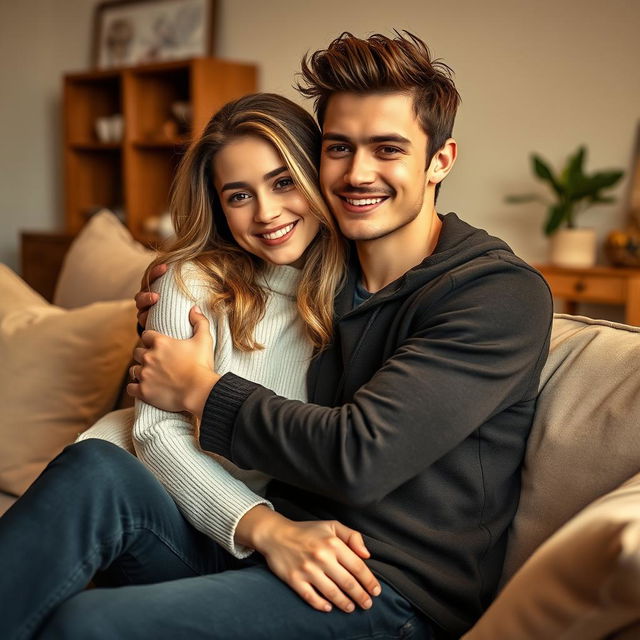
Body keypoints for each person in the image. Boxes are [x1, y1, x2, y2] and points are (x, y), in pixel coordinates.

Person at [129, 31, 553, 639]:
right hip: (281, 549)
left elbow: (359, 456)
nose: (358, 173)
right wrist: (162, 314)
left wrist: (199, 388)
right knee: (97, 471)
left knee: (88, 621)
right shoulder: (325, 269)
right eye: (338, 148)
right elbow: (228, 288)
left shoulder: (497, 294)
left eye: (387, 149)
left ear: (440, 159)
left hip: (389, 592)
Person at [0, 93, 386, 640]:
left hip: (243, 545)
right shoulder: (189, 280)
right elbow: (158, 436)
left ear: (316, 173)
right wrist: (268, 529)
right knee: (97, 465)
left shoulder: (362, 293)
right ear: (219, 206)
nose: (266, 213)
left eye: (283, 182)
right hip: (158, 503)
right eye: (238, 195)